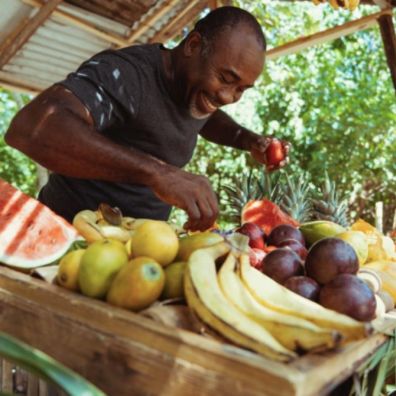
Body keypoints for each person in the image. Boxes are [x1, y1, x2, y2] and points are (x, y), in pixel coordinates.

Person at [5, 6, 289, 231]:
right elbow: (32, 129)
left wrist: (246, 139)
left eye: (242, 89)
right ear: (192, 45)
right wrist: (157, 173)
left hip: (136, 250)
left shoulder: (193, 91)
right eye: (226, 79)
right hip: (67, 236)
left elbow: (205, 118)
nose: (229, 97)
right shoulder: (127, 75)